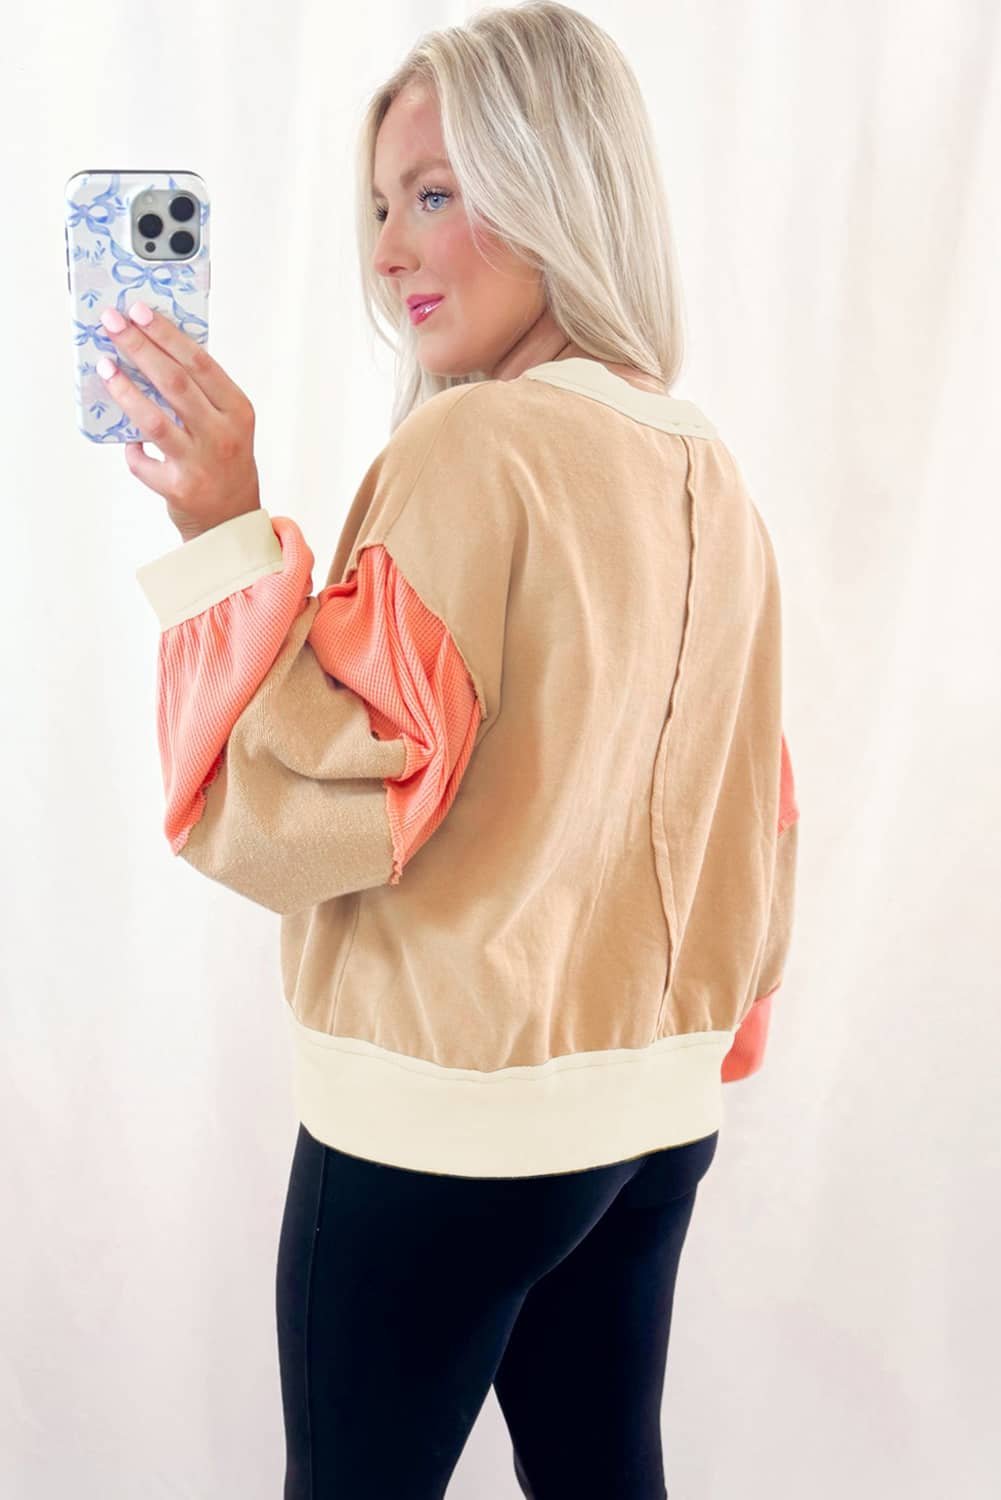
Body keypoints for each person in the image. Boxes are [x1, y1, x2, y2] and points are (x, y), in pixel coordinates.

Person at [134, 4, 800, 1495]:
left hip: (442, 1126)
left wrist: (222, 533)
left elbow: (317, 812)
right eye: (381, 204)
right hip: (650, 1115)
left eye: (435, 193)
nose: (390, 250)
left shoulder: (471, 446)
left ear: (557, 182)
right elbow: (755, 805)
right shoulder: (705, 463)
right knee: (604, 1473)